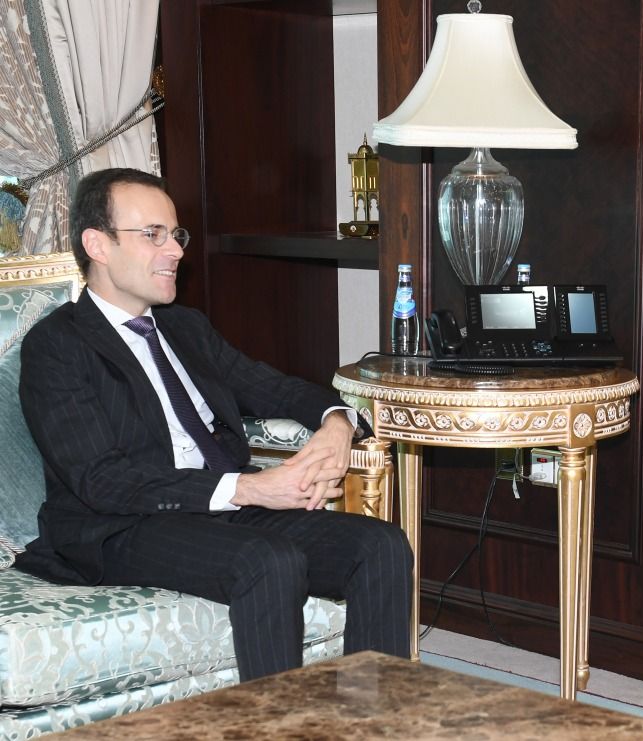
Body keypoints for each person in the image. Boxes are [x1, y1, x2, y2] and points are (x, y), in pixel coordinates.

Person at [15, 167, 413, 682]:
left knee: (382, 547)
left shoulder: (185, 327)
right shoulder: (57, 345)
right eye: (153, 235)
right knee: (268, 560)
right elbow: (101, 479)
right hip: (122, 525)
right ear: (98, 245)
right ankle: (275, 722)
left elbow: (273, 387)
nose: (176, 251)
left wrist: (337, 422)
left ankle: (374, 719)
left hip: (220, 506)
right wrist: (251, 488)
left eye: (175, 234)